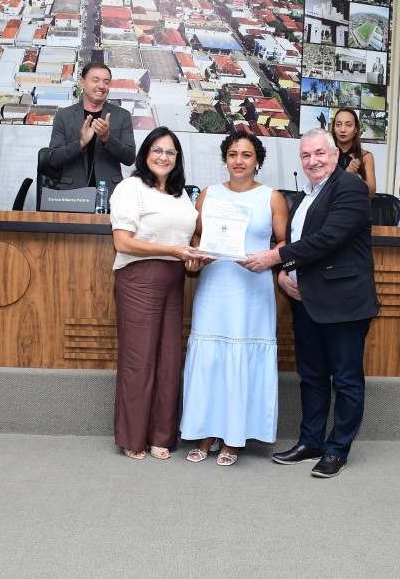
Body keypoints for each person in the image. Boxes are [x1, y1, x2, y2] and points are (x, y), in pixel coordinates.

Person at [239, 128, 379, 478]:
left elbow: (328, 240)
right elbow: (300, 242)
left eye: (319, 153)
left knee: (345, 380)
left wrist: (275, 258)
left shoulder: (350, 188)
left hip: (342, 303)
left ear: (335, 155)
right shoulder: (308, 194)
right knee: (312, 377)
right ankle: (311, 441)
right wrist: (286, 272)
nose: (312, 160)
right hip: (306, 300)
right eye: (305, 155)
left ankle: (337, 450)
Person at [180, 131, 289, 466]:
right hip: (215, 287)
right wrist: (193, 259)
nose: (239, 161)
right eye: (232, 154)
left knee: (242, 356)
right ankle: (206, 432)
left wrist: (268, 258)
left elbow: (286, 245)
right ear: (225, 159)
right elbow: (197, 239)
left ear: (258, 160)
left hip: (251, 291)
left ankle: (234, 437)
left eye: (246, 154)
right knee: (211, 360)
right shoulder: (208, 195)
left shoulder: (272, 198)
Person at [109, 127, 201, 461]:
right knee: (140, 360)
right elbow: (123, 242)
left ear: (178, 159)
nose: (164, 157)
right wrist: (175, 250)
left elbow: (185, 242)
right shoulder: (131, 187)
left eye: (171, 152)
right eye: (157, 150)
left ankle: (162, 435)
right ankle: (133, 437)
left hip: (175, 280)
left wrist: (191, 259)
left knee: (168, 359)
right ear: (146, 153)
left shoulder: (181, 194)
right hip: (139, 278)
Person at [48, 62, 135, 200]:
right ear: (82, 83)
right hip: (73, 194)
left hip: (111, 195)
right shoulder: (64, 116)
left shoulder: (122, 115)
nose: (101, 86)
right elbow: (54, 159)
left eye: (106, 82)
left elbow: (130, 158)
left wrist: (107, 139)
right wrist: (80, 143)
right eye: (95, 80)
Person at [332, 107, 376, 199]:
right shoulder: (326, 155)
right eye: (338, 124)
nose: (342, 129)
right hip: (330, 208)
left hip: (355, 207)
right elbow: (320, 189)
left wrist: (355, 177)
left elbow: (371, 194)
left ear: (355, 129)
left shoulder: (366, 156)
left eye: (348, 125)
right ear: (334, 128)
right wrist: (347, 175)